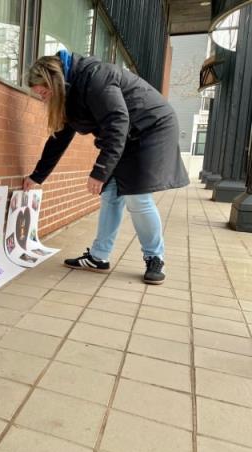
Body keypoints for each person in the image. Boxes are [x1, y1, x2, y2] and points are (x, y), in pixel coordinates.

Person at [23, 50, 189, 285]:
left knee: (137, 198)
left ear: (55, 82)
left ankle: (154, 257)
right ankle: (99, 257)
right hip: (125, 136)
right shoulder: (69, 94)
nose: (42, 99)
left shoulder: (96, 78)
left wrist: (100, 171)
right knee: (111, 194)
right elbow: (59, 137)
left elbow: (117, 123)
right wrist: (37, 176)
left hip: (151, 130)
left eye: (43, 93)